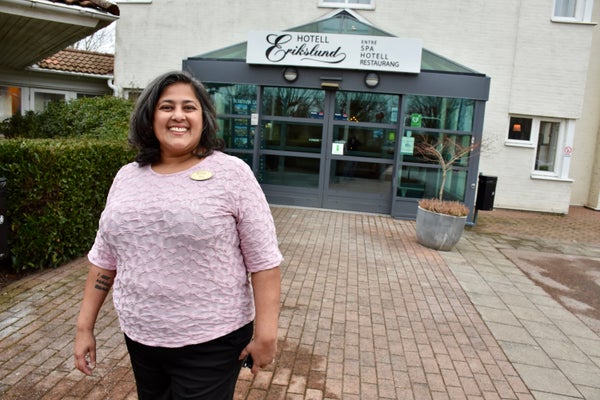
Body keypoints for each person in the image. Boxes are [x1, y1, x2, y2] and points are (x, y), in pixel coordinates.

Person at [73, 70, 283, 400]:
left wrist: (266, 335)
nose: (178, 116)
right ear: (149, 117)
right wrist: (84, 328)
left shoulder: (232, 174)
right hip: (141, 337)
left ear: (204, 118)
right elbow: (104, 258)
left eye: (189, 107)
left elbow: (264, 260)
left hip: (212, 339)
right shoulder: (127, 177)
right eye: (166, 107)